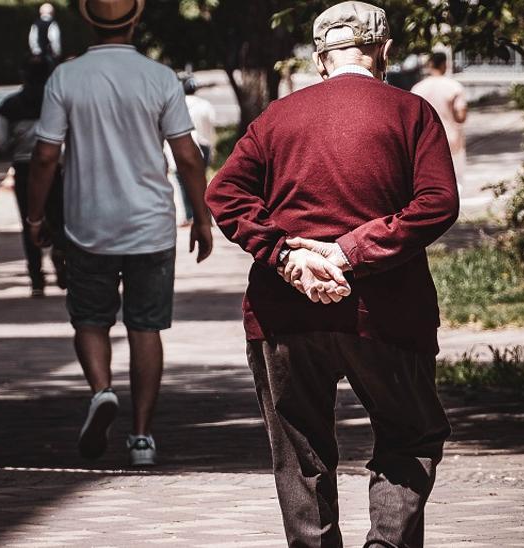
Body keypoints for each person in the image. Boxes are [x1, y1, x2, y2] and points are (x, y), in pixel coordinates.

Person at [206, 2, 459, 545]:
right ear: (385, 52)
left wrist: (287, 257)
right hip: (387, 312)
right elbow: (437, 203)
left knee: (299, 454)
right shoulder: (410, 113)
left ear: (321, 59)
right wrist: (349, 252)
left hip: (283, 312)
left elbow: (223, 194)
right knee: (409, 436)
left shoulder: (275, 117)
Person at [22, 0, 214, 467]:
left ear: (86, 19)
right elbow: (188, 156)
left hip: (87, 225)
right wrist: (204, 217)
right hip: (151, 225)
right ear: (136, 18)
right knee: (146, 328)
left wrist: (33, 218)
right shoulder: (160, 77)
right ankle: (143, 437)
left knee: (90, 320)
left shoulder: (66, 78)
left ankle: (102, 391)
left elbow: (46, 156)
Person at [0, 56, 66, 297]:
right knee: (59, 218)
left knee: (30, 221)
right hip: (56, 168)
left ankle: (36, 278)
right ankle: (61, 257)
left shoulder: (10, 105)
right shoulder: (56, 102)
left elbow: (1, 140)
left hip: (24, 168)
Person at [410, 50, 468, 191]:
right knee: (456, 181)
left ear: (430, 65)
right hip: (451, 139)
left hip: (425, 141)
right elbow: (460, 117)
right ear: (444, 64)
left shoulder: (417, 89)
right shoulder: (454, 87)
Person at [174, 75, 216, 226]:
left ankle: (190, 214)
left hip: (184, 144)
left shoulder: (178, 105)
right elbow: (211, 128)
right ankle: (205, 215)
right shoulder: (205, 105)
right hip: (204, 145)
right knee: (201, 180)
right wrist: (212, 147)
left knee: (181, 179)